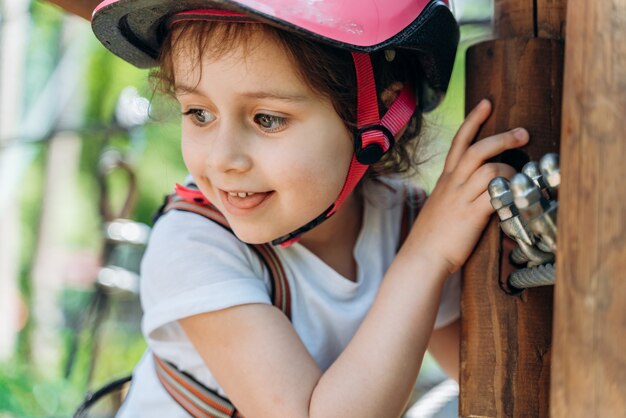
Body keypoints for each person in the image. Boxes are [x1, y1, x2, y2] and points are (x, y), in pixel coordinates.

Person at [89, 0, 528, 417]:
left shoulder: (404, 223)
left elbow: (488, 381)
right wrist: (426, 257)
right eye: (199, 114)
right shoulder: (194, 247)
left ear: (379, 115)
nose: (223, 159)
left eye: (267, 119)